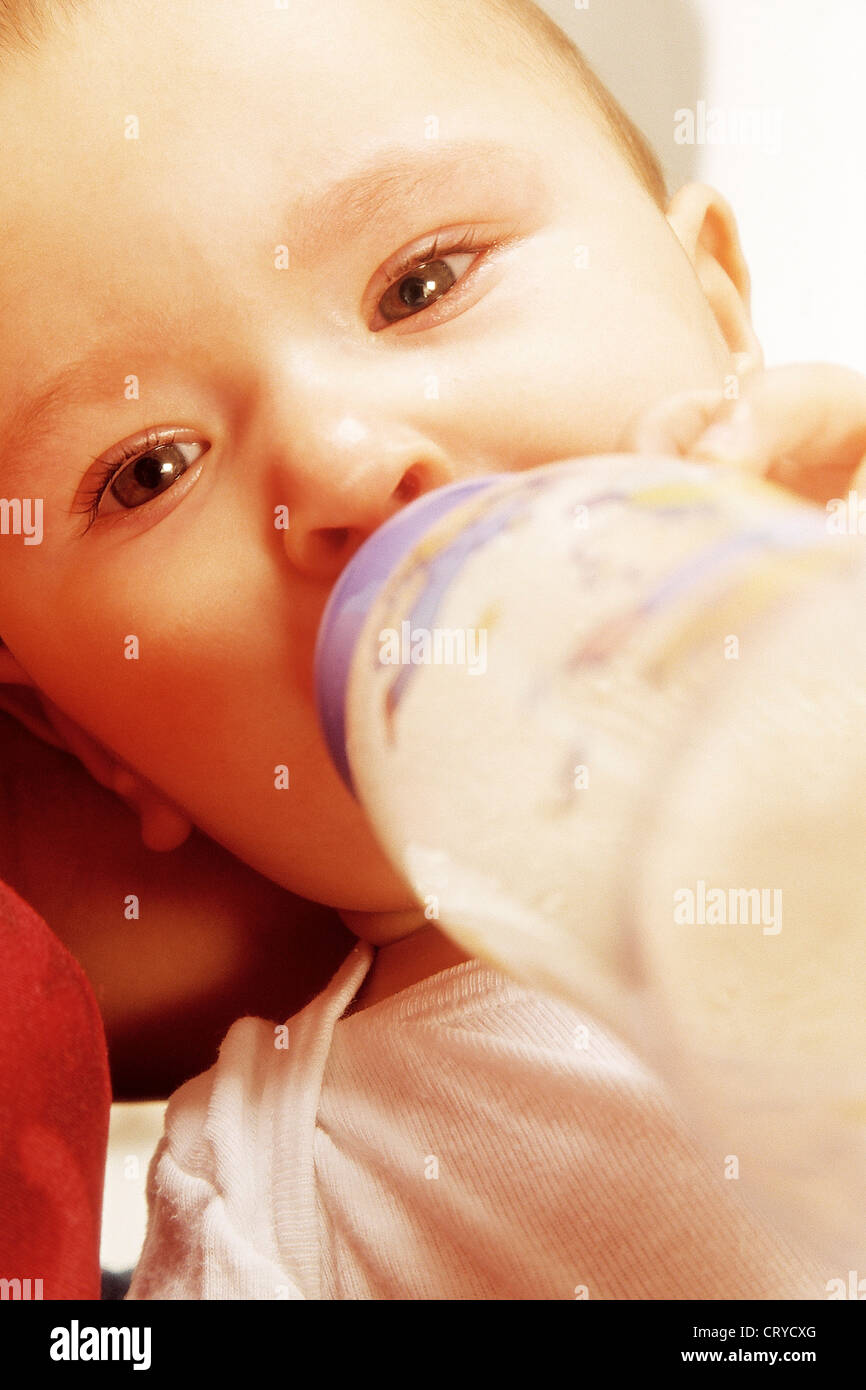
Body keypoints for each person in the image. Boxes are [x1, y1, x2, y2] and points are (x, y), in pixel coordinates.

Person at [0, 0, 862, 1298]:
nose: (343, 463)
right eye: (148, 471)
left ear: (719, 307)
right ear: (95, 742)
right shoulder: (287, 1206)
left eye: (421, 284)